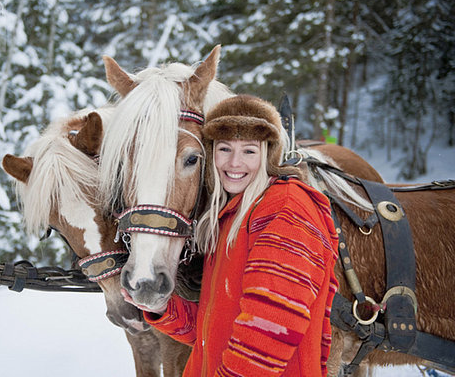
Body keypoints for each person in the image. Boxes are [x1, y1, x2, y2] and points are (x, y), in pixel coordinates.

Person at [143, 94, 339, 376]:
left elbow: (272, 325)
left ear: (268, 154)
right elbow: (213, 328)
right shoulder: (232, 214)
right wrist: (162, 307)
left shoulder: (284, 208)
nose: (234, 163)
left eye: (249, 151)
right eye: (224, 149)